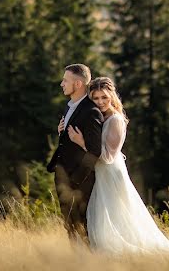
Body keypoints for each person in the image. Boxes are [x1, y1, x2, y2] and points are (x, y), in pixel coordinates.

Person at [69, 76, 169, 256]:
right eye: (96, 98)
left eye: (104, 97)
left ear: (112, 97)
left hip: (110, 173)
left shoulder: (116, 120)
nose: (101, 102)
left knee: (116, 219)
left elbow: (108, 156)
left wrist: (81, 142)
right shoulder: (97, 116)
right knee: (102, 221)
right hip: (99, 175)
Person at [46, 63, 104, 245]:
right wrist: (60, 133)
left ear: (78, 84)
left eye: (65, 80)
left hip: (79, 180)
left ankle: (89, 262)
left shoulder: (91, 111)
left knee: (81, 225)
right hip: (63, 174)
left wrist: (77, 180)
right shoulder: (69, 106)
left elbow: (95, 151)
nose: (62, 84)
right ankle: (74, 261)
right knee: (68, 224)